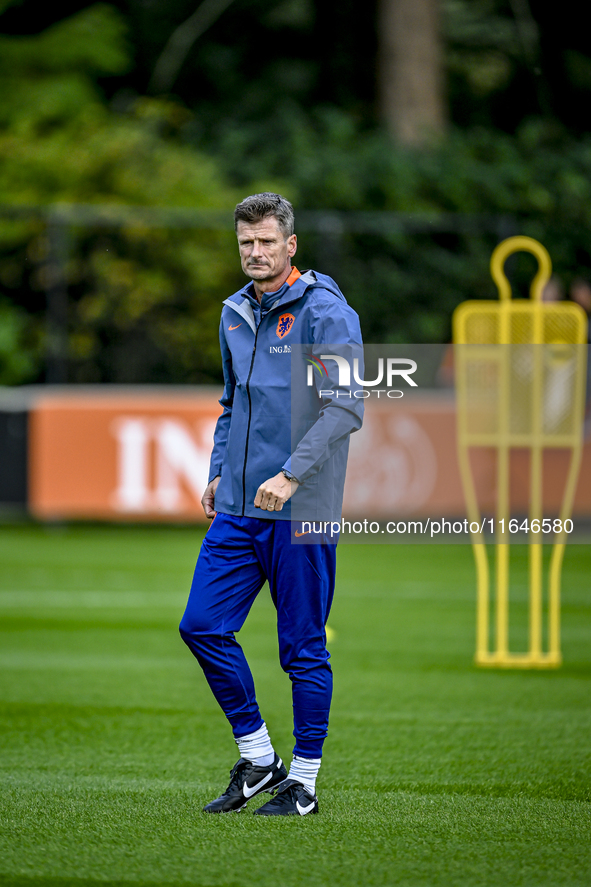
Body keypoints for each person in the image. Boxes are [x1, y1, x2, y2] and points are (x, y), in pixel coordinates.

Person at [179, 192, 363, 816]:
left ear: (291, 245)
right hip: (237, 509)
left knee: (303, 649)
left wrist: (288, 475)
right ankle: (259, 760)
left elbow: (345, 407)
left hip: (301, 507)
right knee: (201, 626)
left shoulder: (327, 312)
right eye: (244, 244)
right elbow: (232, 406)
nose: (254, 254)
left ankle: (304, 783)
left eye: (265, 243)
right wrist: (217, 473)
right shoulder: (233, 310)